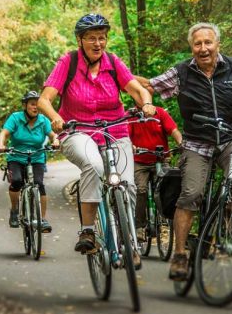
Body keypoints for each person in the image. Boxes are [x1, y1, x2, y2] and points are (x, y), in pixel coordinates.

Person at [137, 22, 232, 281]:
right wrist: (120, 76)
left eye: (208, 42)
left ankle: (225, 227)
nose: (203, 48)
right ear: (192, 47)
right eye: (198, 44)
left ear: (217, 45)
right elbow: (150, 85)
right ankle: (180, 254)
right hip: (196, 143)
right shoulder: (181, 72)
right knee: (191, 193)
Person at [37, 13, 156, 260]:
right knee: (93, 165)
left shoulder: (113, 63)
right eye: (91, 38)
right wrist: (54, 118)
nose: (98, 43)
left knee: (128, 185)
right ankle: (88, 232)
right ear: (80, 40)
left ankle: (128, 239)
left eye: (102, 38)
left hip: (115, 130)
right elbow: (44, 100)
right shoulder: (68, 62)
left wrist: (146, 104)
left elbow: (137, 89)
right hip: (77, 130)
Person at [0, 91, 58, 230]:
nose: (35, 107)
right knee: (17, 181)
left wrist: (56, 141)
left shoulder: (43, 120)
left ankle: (42, 219)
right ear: (25, 106)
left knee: (39, 184)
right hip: (16, 157)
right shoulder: (15, 118)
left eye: (37, 104)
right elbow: (4, 133)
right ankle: (14, 210)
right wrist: (1, 144)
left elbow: (53, 135)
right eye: (32, 104)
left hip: (36, 157)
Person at [129, 106, 182, 242]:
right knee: (140, 189)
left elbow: (173, 130)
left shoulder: (160, 113)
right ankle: (139, 226)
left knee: (169, 187)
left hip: (161, 159)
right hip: (139, 162)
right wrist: (131, 146)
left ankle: (167, 220)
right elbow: (125, 136)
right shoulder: (131, 115)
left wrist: (181, 143)